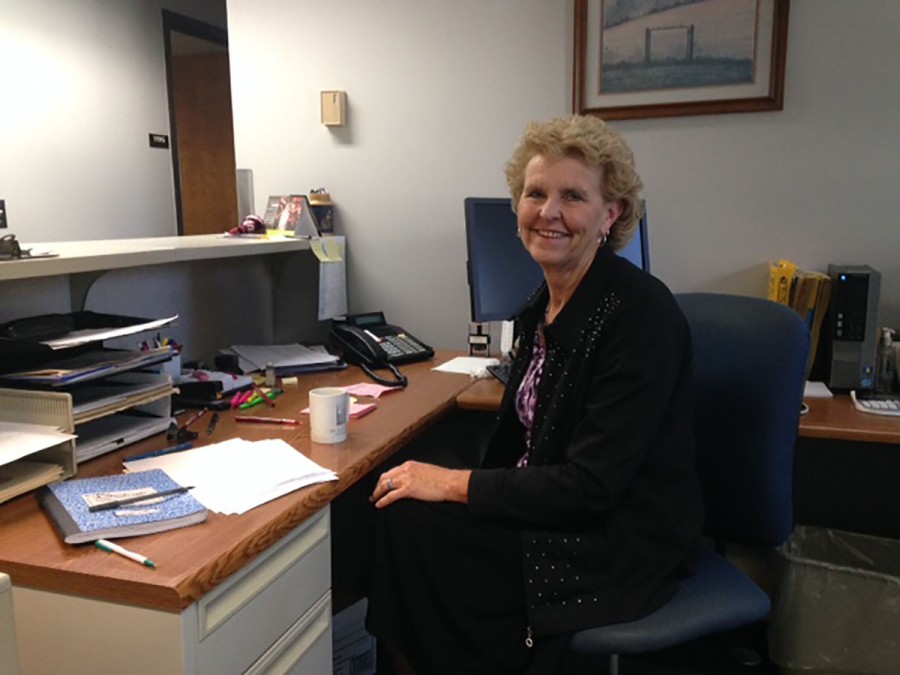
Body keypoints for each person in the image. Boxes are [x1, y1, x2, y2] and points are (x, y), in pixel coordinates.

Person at [362, 115, 704, 674]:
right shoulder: (539, 310)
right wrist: (446, 488)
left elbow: (592, 486)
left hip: (616, 539)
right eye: (535, 193)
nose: (548, 212)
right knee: (392, 508)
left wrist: (451, 484)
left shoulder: (640, 315)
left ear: (610, 214)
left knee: (415, 531)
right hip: (549, 510)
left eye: (573, 196)